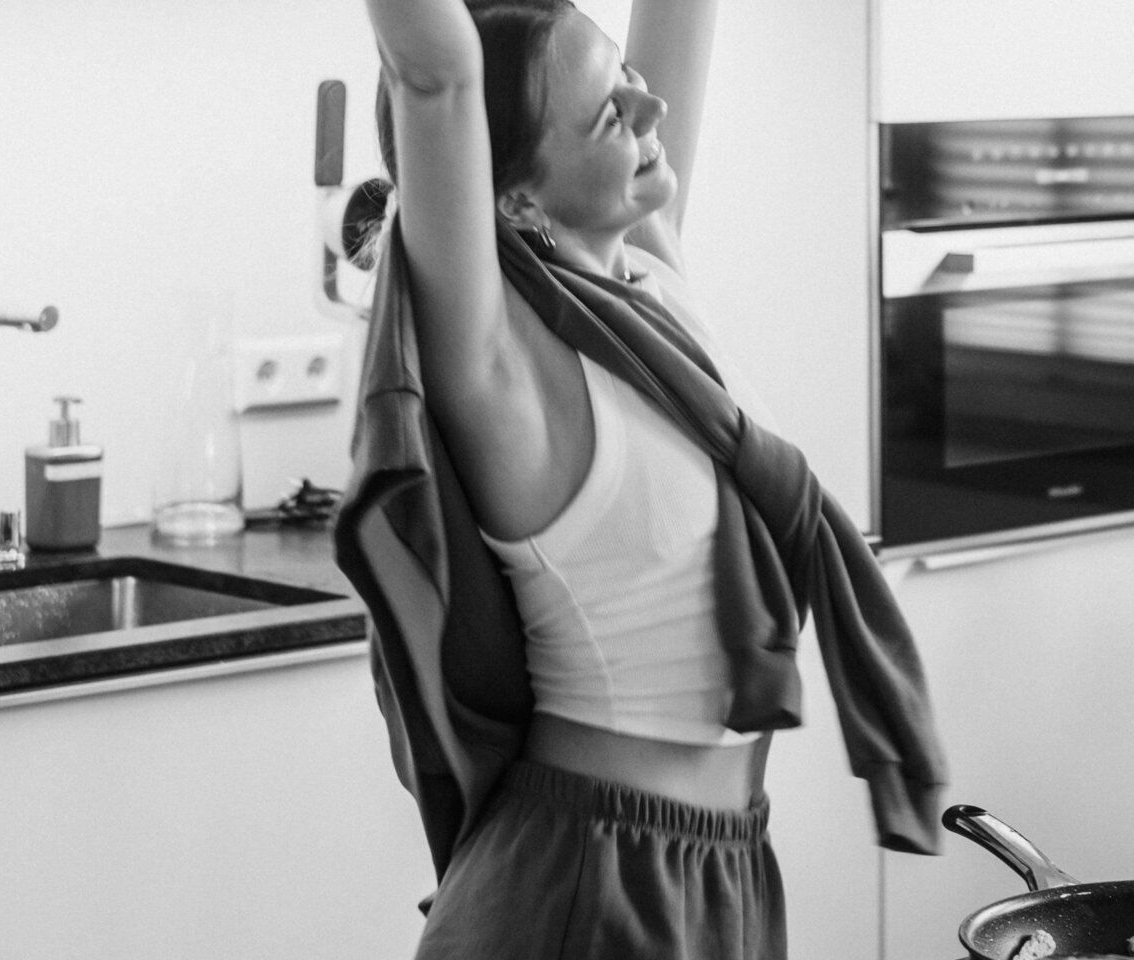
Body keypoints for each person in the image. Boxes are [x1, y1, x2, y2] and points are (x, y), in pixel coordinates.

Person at [331, 1, 946, 957]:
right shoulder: (504, 367)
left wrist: (612, 90)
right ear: (519, 201)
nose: (648, 107)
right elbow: (434, 71)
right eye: (609, 115)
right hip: (589, 874)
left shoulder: (650, 287)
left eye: (629, 78)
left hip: (729, 862)